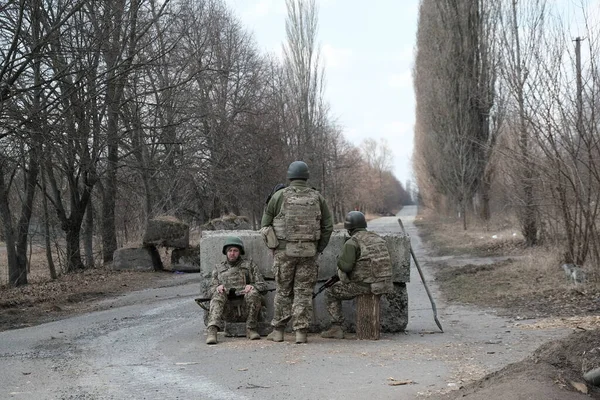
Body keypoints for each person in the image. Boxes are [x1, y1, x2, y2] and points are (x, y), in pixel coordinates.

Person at [261, 161, 333, 344]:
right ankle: (301, 332)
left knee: (283, 291)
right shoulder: (318, 197)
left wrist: (274, 246)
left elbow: (265, 226)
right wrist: (319, 248)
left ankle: (278, 331)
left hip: (284, 253)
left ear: (290, 176)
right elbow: (327, 226)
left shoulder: (278, 196)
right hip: (309, 252)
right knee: (303, 292)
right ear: (306, 176)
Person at [321, 211, 393, 339]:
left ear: (349, 229)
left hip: (365, 286)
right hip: (384, 284)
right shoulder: (378, 238)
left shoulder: (352, 242)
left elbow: (345, 267)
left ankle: (336, 328)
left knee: (330, 292)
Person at [205, 236, 267, 345]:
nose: (232, 253)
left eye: (235, 251)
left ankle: (251, 329)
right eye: (230, 250)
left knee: (253, 293)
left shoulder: (249, 265)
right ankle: (212, 331)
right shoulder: (218, 268)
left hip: (245, 309)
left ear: (240, 252)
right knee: (218, 294)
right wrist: (217, 288)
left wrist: (252, 286)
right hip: (228, 311)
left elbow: (263, 286)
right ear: (226, 252)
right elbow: (209, 291)